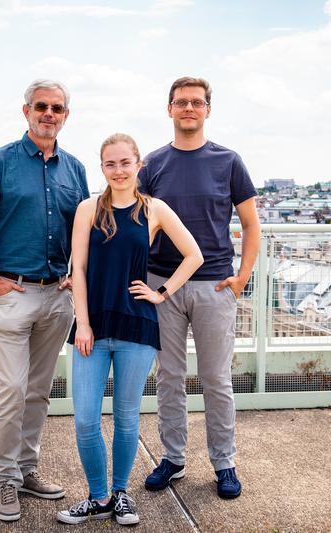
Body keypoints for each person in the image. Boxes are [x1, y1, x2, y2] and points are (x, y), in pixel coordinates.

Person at [0, 79, 89, 522]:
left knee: (38, 392)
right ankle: (4, 482)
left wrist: (78, 275)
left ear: (66, 115)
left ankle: (27, 470)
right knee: (11, 391)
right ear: (26, 111)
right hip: (13, 293)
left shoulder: (74, 169)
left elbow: (83, 230)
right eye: (41, 107)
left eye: (56, 108)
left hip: (57, 295)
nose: (48, 114)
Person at [57, 134, 203, 526]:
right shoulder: (88, 209)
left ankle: (120, 494)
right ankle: (98, 497)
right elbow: (80, 270)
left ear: (138, 165)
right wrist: (82, 322)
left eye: (125, 163)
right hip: (93, 327)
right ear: (102, 168)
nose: (118, 171)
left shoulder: (155, 209)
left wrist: (161, 292)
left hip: (137, 325)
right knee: (86, 418)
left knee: (126, 417)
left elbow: (194, 255)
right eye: (110, 164)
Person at [139, 76, 261, 499]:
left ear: (208, 109)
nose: (188, 108)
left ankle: (224, 463)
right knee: (169, 378)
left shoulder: (228, 161)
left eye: (196, 102)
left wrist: (242, 276)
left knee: (216, 379)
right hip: (162, 285)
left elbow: (250, 225)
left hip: (214, 285)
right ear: (169, 109)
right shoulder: (152, 164)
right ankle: (173, 459)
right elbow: (134, 223)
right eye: (180, 102)